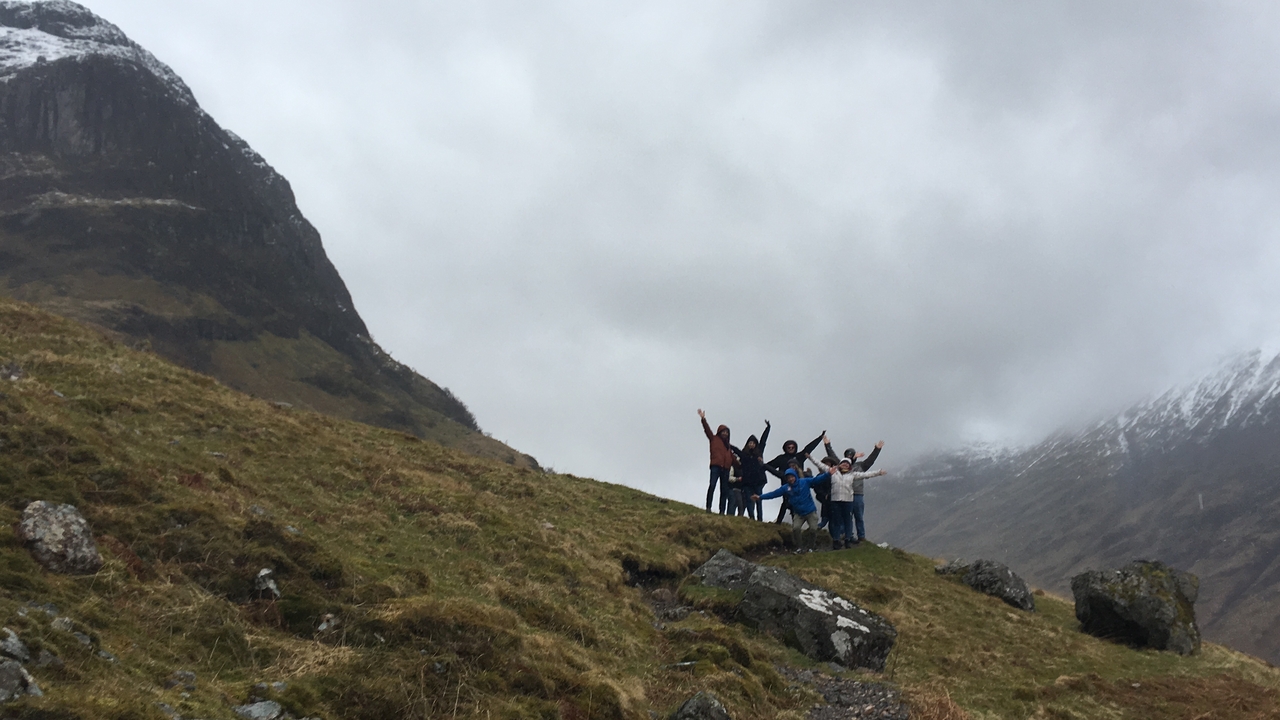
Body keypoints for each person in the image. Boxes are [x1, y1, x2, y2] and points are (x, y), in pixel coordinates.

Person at [812, 454, 887, 548]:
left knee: (848, 521)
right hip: (835, 500)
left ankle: (847, 539)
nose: (845, 465)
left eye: (847, 464)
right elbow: (820, 465)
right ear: (839, 464)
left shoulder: (853, 474)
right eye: (843, 463)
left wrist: (878, 472)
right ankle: (836, 540)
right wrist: (810, 457)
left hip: (848, 501)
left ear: (850, 466)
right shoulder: (833, 472)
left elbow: (866, 474)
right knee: (836, 521)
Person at [752, 467, 827, 552]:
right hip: (798, 514)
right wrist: (760, 497)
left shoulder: (804, 482)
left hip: (810, 511)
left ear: (795, 476)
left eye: (792, 477)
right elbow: (774, 494)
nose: (790, 479)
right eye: (788, 478)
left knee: (813, 529)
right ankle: (800, 547)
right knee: (796, 529)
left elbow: (817, 479)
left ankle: (811, 547)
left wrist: (828, 474)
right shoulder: (785, 488)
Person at [764, 432, 825, 524]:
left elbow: (809, 448)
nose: (791, 449)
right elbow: (769, 465)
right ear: (785, 448)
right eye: (789, 448)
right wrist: (760, 465)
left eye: (792, 447)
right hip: (786, 483)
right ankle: (779, 522)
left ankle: (793, 523)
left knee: (795, 503)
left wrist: (820, 438)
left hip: (799, 484)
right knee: (785, 502)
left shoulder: (799, 457)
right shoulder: (781, 458)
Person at [698, 409, 737, 514]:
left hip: (726, 469)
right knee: (712, 485)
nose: (725, 434)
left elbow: (733, 459)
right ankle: (708, 507)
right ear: (719, 432)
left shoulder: (728, 447)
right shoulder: (713, 439)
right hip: (716, 466)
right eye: (723, 432)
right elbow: (707, 430)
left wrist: (742, 463)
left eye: (727, 432)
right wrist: (703, 419)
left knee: (724, 490)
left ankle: (721, 511)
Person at [730, 421, 771, 521]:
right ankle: (751, 517)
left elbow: (763, 441)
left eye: (753, 443)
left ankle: (760, 518)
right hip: (747, 481)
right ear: (747, 444)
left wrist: (768, 428)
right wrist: (726, 444)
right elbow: (735, 449)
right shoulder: (744, 455)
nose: (752, 445)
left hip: (758, 481)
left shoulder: (759, 453)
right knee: (748, 499)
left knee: (759, 500)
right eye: (750, 443)